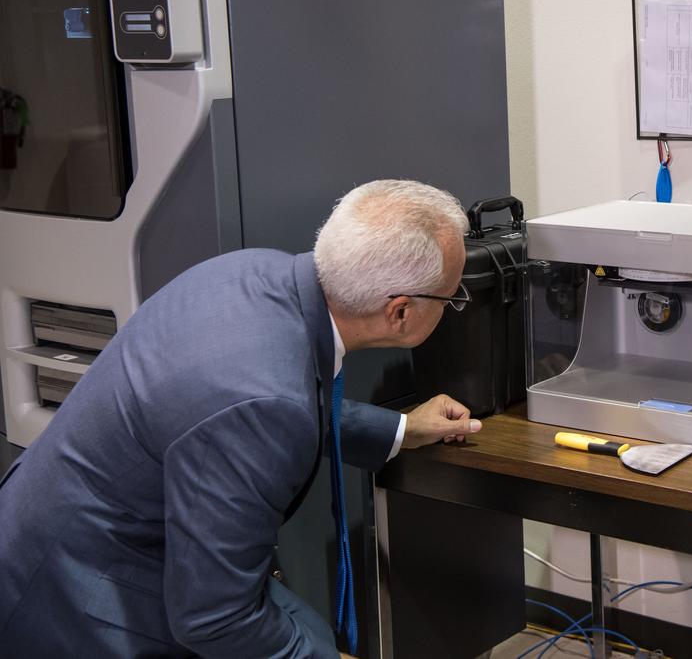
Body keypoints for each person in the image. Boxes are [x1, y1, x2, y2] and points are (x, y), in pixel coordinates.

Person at [0, 179, 481, 658]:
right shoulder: (263, 401)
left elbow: (252, 404)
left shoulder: (253, 272)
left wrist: (401, 429)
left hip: (66, 531)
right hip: (76, 598)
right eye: (451, 297)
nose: (453, 305)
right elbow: (217, 620)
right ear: (400, 313)